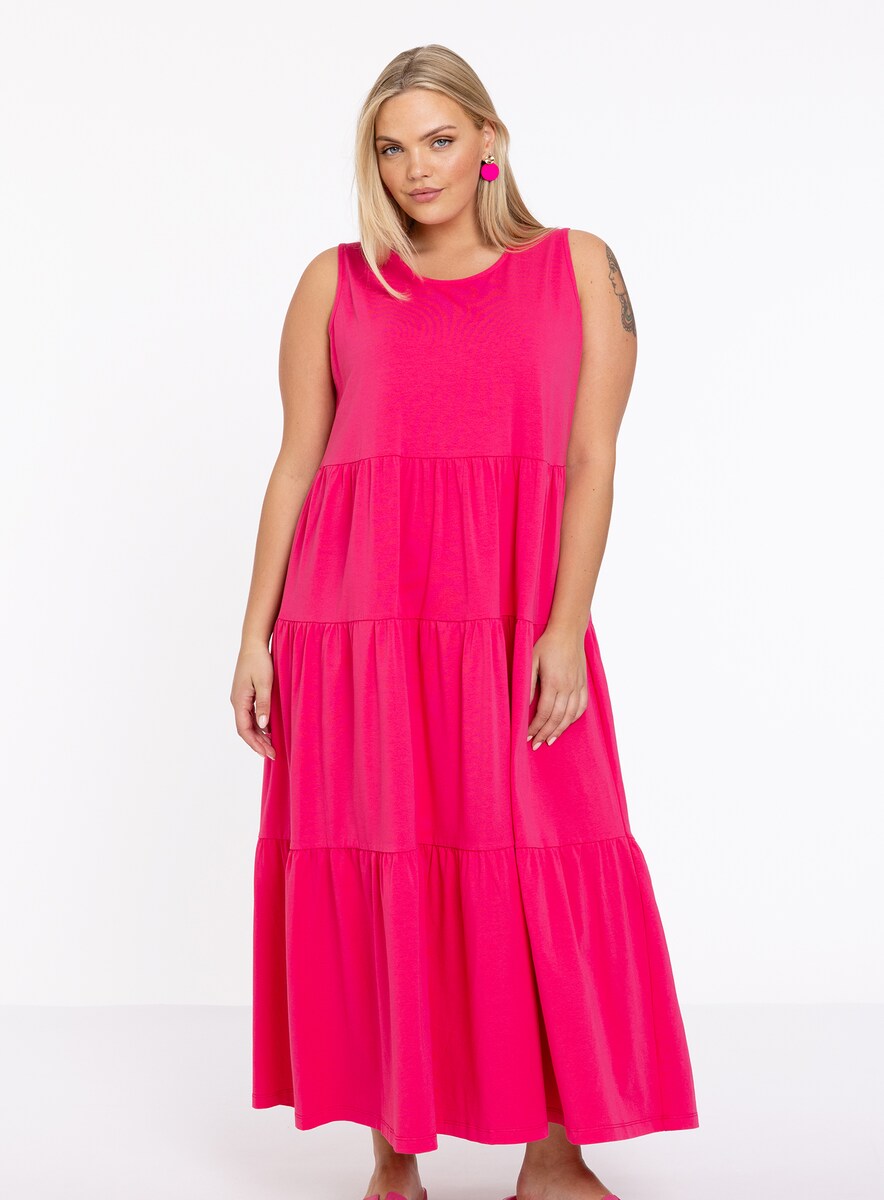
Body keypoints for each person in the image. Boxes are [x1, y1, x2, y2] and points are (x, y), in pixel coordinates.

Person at [231, 43, 699, 1200]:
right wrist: (254, 637)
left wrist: (564, 625)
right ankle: (394, 1156)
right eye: (392, 150)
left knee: (546, 852)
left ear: (490, 140)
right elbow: (296, 466)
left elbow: (592, 460)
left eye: (440, 139)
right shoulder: (335, 283)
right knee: (384, 861)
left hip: (511, 614)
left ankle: (555, 1154)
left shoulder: (578, 266)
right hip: (356, 626)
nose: (417, 169)